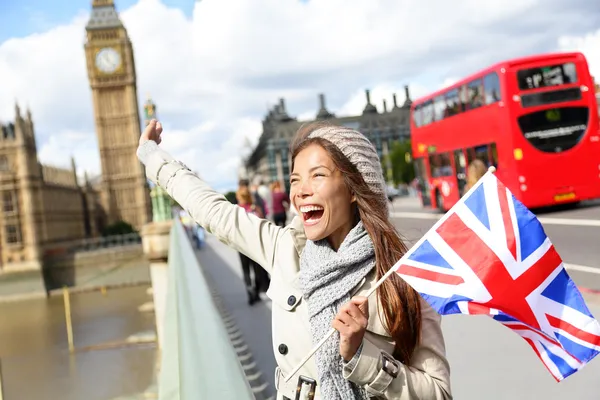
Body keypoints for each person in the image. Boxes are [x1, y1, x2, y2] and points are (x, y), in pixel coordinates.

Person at [137, 120, 451, 400]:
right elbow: (215, 212)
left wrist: (362, 356)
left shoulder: (402, 275)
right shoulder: (285, 250)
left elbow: (438, 392)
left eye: (318, 176)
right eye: (295, 179)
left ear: (355, 189)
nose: (300, 191)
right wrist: (153, 157)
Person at [236, 185, 268, 305]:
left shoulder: (237, 210)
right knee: (257, 269)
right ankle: (256, 291)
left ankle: (250, 294)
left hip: (241, 244)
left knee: (246, 270)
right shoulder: (255, 209)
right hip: (255, 244)